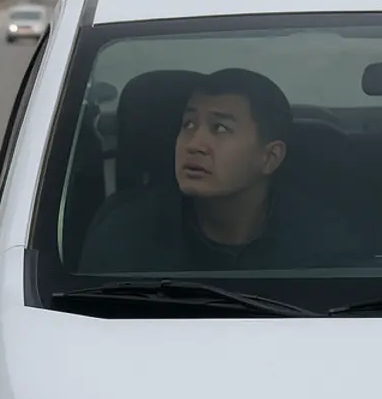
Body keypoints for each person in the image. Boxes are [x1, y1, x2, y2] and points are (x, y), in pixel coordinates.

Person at [80, 68, 362, 271]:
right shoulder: (126, 235)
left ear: (270, 157)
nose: (194, 144)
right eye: (188, 124)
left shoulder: (323, 245)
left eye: (220, 128)